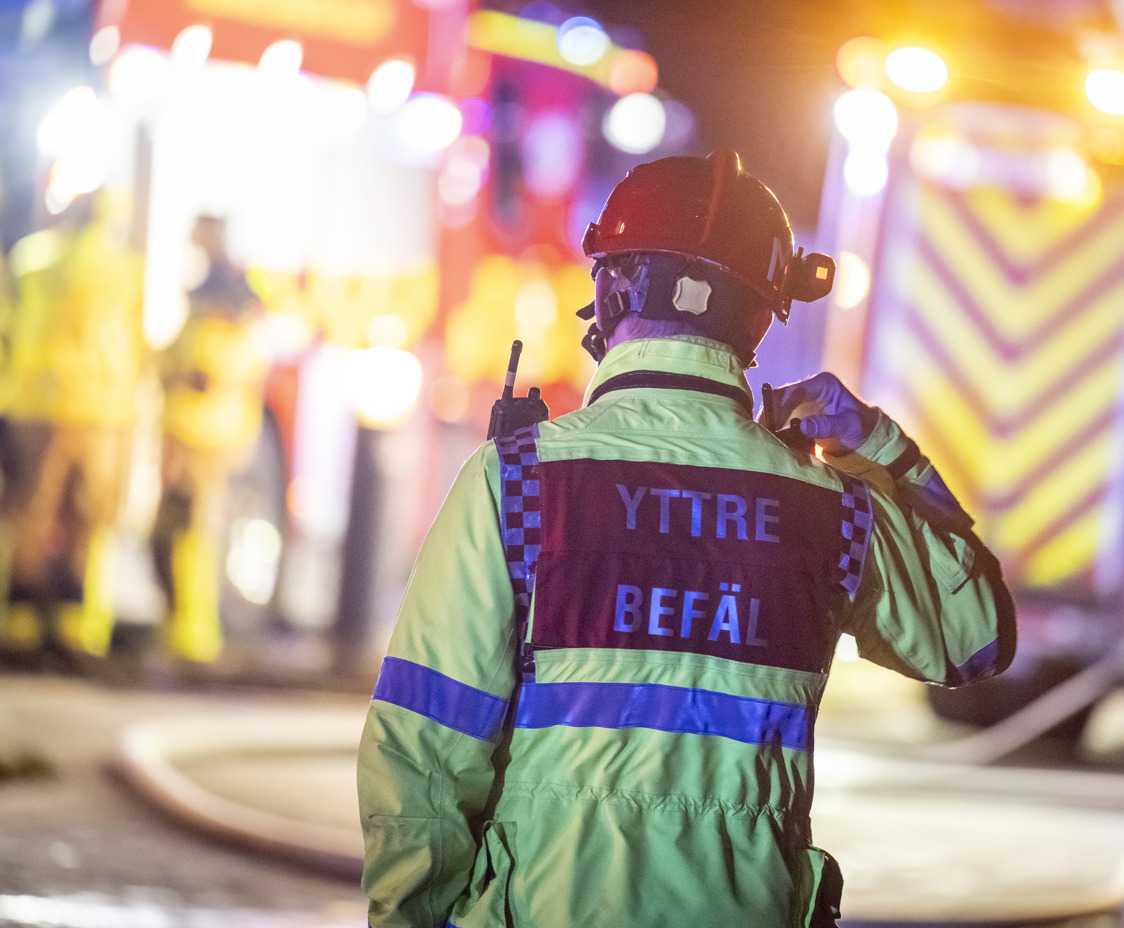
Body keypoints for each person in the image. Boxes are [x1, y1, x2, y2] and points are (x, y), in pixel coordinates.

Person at [358, 150, 1015, 928]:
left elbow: (423, 750)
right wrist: (883, 450)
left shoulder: (517, 482)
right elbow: (973, 640)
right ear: (761, 316)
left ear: (611, 287)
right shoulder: (833, 506)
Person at [0, 193, 143, 659]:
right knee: (87, 520)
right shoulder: (124, 270)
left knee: (31, 515)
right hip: (100, 412)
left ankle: (21, 625)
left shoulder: (31, 258)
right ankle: (76, 627)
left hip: (38, 405)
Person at [152, 214, 267, 663]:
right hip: (189, 435)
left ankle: (194, 632)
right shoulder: (213, 302)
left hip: (207, 437)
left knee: (194, 532)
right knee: (175, 531)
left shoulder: (229, 310)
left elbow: (211, 373)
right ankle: (183, 627)